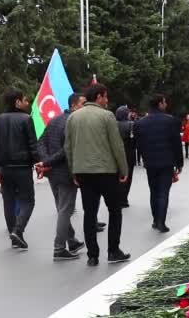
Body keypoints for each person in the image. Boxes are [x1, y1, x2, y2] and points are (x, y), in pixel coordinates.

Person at [65, 83, 130, 266]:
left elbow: (68, 147)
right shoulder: (107, 116)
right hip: (106, 171)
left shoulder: (73, 118)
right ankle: (113, 251)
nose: (107, 100)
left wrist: (73, 171)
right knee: (114, 211)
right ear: (99, 97)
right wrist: (123, 170)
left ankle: (92, 256)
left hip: (83, 172)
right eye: (106, 97)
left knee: (89, 213)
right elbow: (116, 146)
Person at [36, 93, 87, 261]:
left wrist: (44, 161)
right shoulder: (74, 123)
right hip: (66, 172)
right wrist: (48, 161)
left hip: (52, 173)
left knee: (61, 207)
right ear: (74, 105)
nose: (85, 107)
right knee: (65, 210)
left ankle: (71, 241)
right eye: (83, 103)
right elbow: (67, 150)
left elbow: (41, 142)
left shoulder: (54, 120)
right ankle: (59, 248)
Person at [0, 90, 39, 250]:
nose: (27, 102)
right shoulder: (26, 119)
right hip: (22, 167)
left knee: (8, 202)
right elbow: (33, 145)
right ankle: (18, 230)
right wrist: (38, 163)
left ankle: (14, 236)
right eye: (24, 100)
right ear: (17, 102)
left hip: (4, 168)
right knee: (28, 201)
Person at [134, 94, 184, 233]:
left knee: (154, 191)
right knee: (163, 192)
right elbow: (176, 144)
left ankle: (156, 220)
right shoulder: (171, 121)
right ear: (160, 104)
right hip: (167, 162)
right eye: (164, 102)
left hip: (150, 162)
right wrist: (179, 163)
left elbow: (139, 144)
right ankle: (161, 221)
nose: (166, 104)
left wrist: (144, 158)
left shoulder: (140, 123)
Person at [116, 106, 137, 208]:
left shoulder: (113, 124)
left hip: (116, 154)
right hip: (128, 153)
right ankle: (124, 199)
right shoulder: (131, 125)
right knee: (128, 177)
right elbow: (134, 140)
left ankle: (117, 198)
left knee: (117, 176)